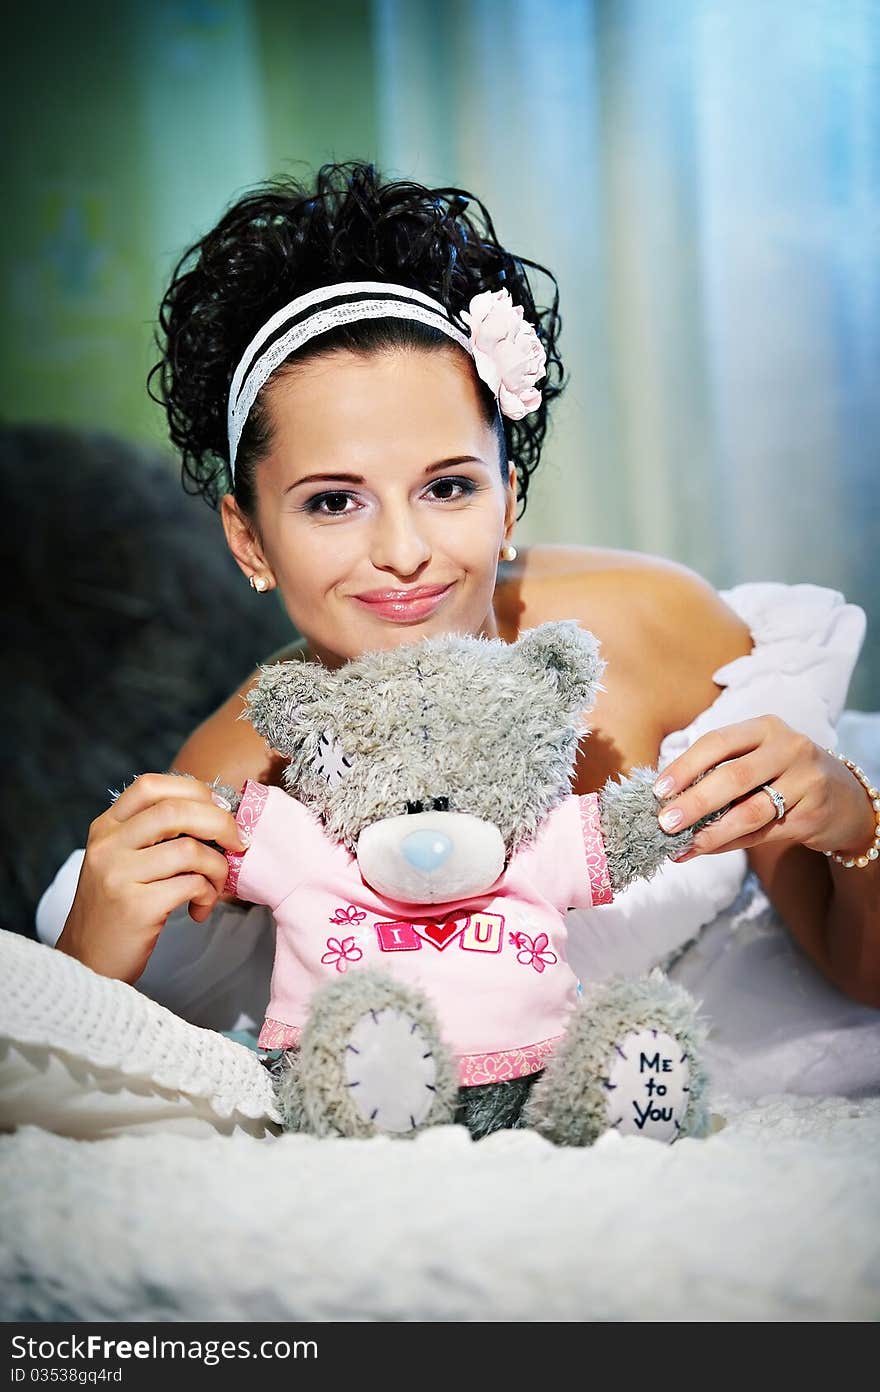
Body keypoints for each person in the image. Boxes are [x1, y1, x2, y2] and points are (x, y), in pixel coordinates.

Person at [45, 161, 878, 1025]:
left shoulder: (656, 623)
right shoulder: (241, 770)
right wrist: (86, 959)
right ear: (248, 537)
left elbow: (863, 975)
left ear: (509, 496)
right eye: (334, 501)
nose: (403, 553)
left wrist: (853, 819)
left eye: (447, 488)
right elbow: (139, 1060)